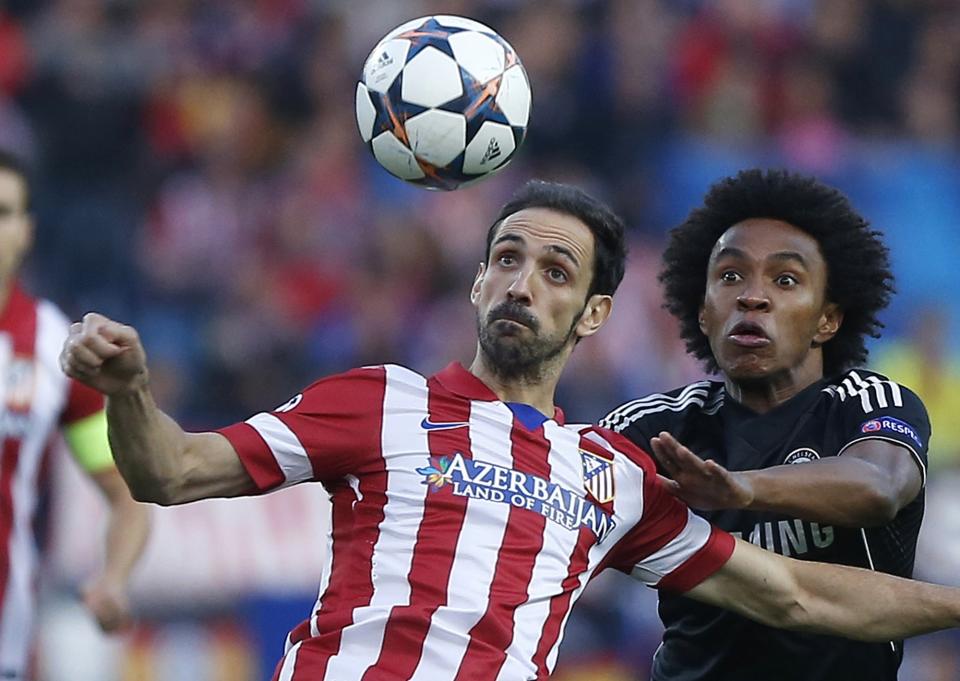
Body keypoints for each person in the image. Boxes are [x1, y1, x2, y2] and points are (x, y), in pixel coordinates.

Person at [62, 180, 959, 681]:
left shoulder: (609, 473)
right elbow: (171, 473)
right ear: (477, 287)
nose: (524, 282)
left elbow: (799, 593)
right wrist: (132, 390)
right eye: (506, 259)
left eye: (556, 269)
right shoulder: (379, 400)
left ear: (596, 312)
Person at [601, 168, 929, 681]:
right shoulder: (652, 427)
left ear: (828, 319)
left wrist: (741, 490)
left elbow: (880, 486)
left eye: (785, 280)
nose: (752, 297)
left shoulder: (866, 401)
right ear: (704, 313)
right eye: (730, 277)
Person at [0, 150, 151, 680]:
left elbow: (125, 492)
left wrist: (112, 578)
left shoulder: (50, 350)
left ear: (26, 231)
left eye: (3, 212)